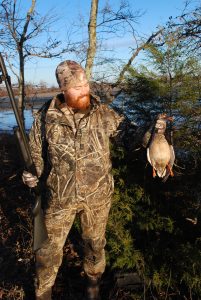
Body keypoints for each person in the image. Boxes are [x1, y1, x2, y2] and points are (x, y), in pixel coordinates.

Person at [22, 60, 135, 300]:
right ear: (63, 89)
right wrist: (31, 176)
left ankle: (93, 290)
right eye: (78, 87)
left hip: (98, 197)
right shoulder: (45, 118)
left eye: (86, 84)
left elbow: (129, 134)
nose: (85, 90)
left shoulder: (102, 112)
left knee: (95, 246)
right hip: (59, 198)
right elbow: (35, 157)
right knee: (47, 252)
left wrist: (153, 134)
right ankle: (44, 293)